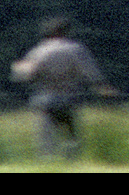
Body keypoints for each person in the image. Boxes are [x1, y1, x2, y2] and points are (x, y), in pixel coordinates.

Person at [12, 16, 116, 158]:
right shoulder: (75, 49)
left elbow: (24, 74)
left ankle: (47, 161)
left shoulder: (38, 51)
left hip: (45, 97)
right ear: (66, 31)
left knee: (46, 136)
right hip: (69, 96)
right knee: (71, 133)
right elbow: (90, 72)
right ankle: (72, 161)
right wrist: (102, 87)